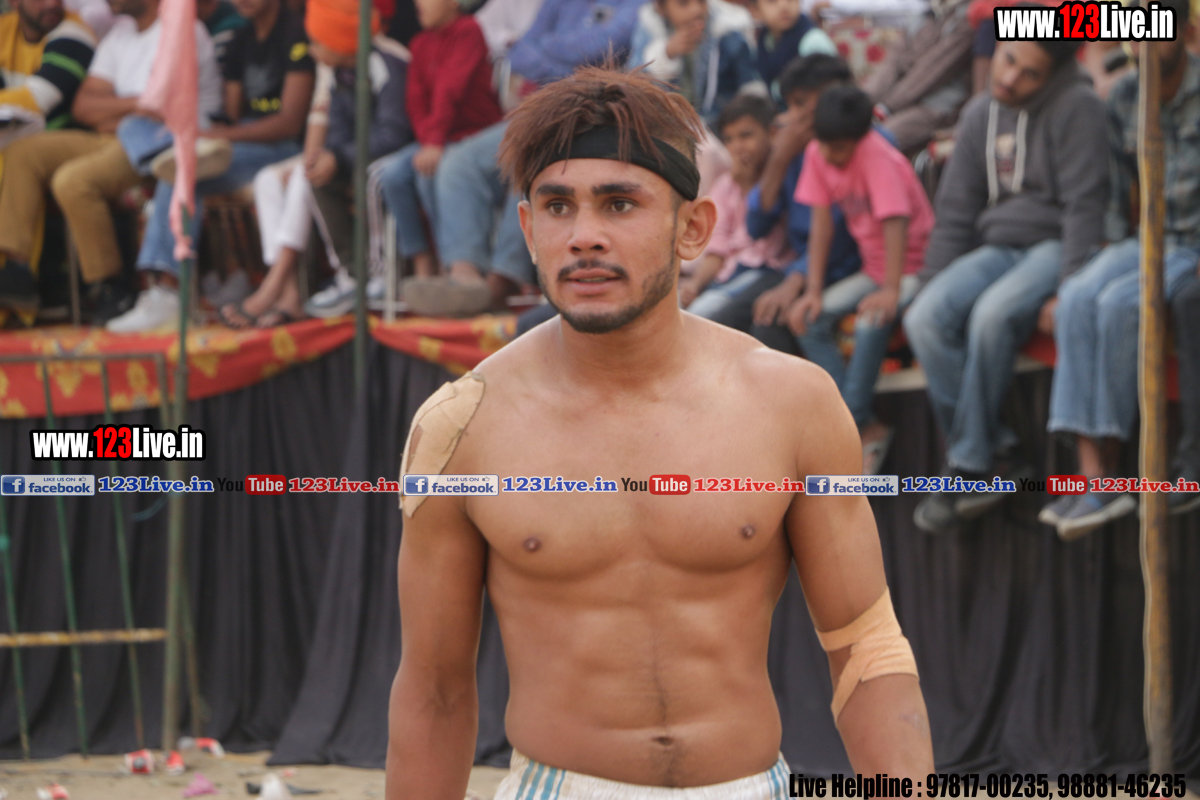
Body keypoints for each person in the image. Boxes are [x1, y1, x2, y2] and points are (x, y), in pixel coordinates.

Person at [385, 66, 933, 799]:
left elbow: (866, 648)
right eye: (557, 206)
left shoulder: (790, 402)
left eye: (619, 204)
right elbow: (434, 688)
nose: (584, 237)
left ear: (693, 228)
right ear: (528, 229)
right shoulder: (462, 426)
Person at [901, 32, 1109, 535]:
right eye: (1008, 59)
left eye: (1029, 73)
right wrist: (930, 282)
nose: (1010, 77)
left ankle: (970, 464)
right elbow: (955, 213)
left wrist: (1068, 287)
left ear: (1053, 74)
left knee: (992, 315)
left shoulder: (1078, 106)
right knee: (924, 317)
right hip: (998, 246)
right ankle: (996, 451)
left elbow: (1085, 208)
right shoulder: (980, 113)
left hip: (1055, 243)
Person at [1039, 0, 1199, 539]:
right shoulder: (1125, 95)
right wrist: (1105, 252)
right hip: (1144, 238)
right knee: (1078, 295)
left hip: (1193, 245)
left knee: (1117, 304)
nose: (1147, 44)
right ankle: (1093, 478)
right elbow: (1114, 194)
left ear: (1186, 32)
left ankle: (1110, 476)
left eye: (1160, 32)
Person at [0, 0, 221, 324]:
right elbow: (84, 107)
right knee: (23, 152)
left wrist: (116, 110)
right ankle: (15, 267)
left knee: (73, 180)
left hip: (163, 142)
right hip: (117, 134)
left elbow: (162, 110)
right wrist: (135, 105)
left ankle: (112, 286)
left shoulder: (183, 28)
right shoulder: (120, 35)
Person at [107, 0, 315, 332]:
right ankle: (168, 155)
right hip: (234, 142)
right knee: (138, 130)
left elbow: (289, 124)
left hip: (280, 148)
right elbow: (230, 114)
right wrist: (209, 131)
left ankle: (167, 291)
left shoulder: (297, 35)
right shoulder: (238, 39)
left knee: (183, 171)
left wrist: (218, 134)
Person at [786, 85, 933, 474]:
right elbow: (821, 227)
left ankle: (843, 430)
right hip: (872, 269)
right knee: (807, 318)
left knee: (871, 321)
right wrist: (812, 291)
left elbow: (895, 222)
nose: (829, 156)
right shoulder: (818, 152)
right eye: (825, 145)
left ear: (859, 138)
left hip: (913, 268)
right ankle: (860, 424)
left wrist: (890, 290)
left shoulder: (878, 156)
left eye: (839, 149)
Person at [746, 54, 894, 353]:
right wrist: (779, 158)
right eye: (790, 105)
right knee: (723, 322)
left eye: (802, 103)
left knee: (768, 328)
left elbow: (840, 234)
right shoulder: (797, 146)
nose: (793, 116)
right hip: (799, 267)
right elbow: (755, 226)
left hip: (846, 267)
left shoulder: (866, 143)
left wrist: (797, 281)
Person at [378, 0, 503, 316]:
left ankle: (453, 267)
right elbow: (415, 99)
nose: (418, 4)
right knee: (392, 177)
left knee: (429, 173)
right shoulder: (420, 43)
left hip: (471, 134)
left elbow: (451, 88)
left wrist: (433, 142)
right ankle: (423, 262)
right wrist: (428, 140)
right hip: (436, 137)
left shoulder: (468, 31)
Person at [297, 0, 413, 318]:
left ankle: (380, 274)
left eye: (317, 42)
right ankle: (351, 274)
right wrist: (329, 156)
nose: (311, 50)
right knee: (317, 181)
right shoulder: (339, 73)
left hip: (398, 154)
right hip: (357, 155)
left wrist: (340, 156)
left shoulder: (385, 65)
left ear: (339, 42)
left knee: (373, 178)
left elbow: (394, 134)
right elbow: (337, 129)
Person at [0, 0, 95, 316]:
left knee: (18, 156)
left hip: (71, 143)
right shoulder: (4, 31)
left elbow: (38, 98)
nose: (52, 3)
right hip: (17, 143)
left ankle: (17, 275)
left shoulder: (74, 34)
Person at [680, 93, 791, 329]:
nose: (738, 147)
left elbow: (762, 236)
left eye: (746, 136)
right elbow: (717, 249)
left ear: (771, 133)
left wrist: (750, 187)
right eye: (729, 139)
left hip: (767, 271)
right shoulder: (725, 186)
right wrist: (696, 284)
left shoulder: (781, 177)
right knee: (682, 308)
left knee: (704, 317)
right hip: (730, 275)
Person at [861, 0, 975, 156]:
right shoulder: (924, 14)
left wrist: (886, 107)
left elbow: (932, 70)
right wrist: (863, 101)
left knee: (876, 140)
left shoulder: (968, 16)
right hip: (898, 100)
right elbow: (891, 63)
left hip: (937, 106)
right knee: (846, 129)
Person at [627, 0, 762, 126]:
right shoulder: (650, 28)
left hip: (720, 124)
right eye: (683, 3)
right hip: (667, 125)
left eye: (701, 1)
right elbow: (634, 84)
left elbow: (749, 86)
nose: (696, 10)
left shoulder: (726, 33)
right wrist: (667, 53)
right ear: (662, 9)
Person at [505, 0, 642, 85]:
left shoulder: (635, 4)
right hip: (547, 101)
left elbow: (602, 46)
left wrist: (544, 43)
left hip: (601, 106)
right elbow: (519, 54)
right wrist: (576, 78)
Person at [747, 0, 834, 103]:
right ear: (755, 10)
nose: (784, 6)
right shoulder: (763, 41)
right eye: (772, 1)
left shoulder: (813, 40)